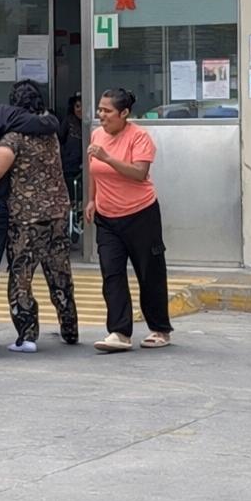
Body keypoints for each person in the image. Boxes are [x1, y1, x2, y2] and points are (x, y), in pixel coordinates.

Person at [0, 80, 79, 352]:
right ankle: (69, 329)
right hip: (57, 211)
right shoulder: (51, 133)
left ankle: (27, 337)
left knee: (21, 276)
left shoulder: (12, 138)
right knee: (59, 272)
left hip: (26, 218)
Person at [86, 88, 171, 352]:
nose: (101, 115)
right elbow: (94, 172)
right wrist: (91, 200)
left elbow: (139, 174)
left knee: (149, 272)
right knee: (111, 273)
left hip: (140, 214)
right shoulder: (97, 135)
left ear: (124, 114)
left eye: (107, 111)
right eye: (100, 109)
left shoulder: (139, 138)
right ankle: (119, 332)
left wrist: (108, 157)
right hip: (107, 217)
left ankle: (160, 328)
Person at [58, 94, 85, 204]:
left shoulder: (93, 123)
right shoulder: (69, 121)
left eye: (83, 106)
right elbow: (60, 139)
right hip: (70, 165)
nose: (80, 109)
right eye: (77, 106)